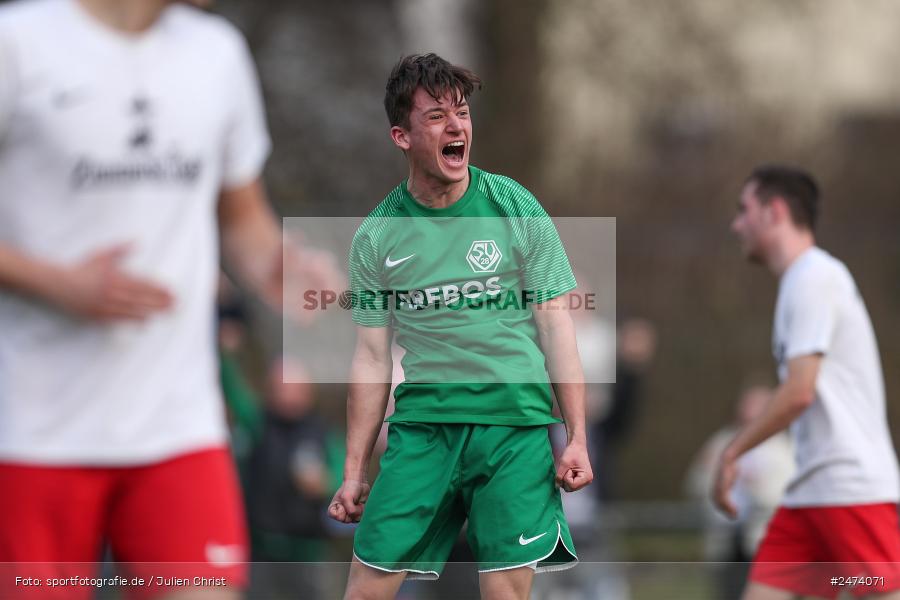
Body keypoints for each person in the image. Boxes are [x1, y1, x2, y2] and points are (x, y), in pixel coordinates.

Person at [0, 1, 338, 599]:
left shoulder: (217, 53)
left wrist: (278, 264)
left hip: (180, 428)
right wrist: (56, 283)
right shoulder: (18, 42)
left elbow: (241, 216)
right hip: (32, 433)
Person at [327, 53, 593, 600]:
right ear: (401, 136)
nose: (456, 127)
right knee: (365, 591)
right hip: (425, 429)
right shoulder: (377, 236)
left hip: (513, 430)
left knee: (504, 594)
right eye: (436, 117)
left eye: (463, 113)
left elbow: (556, 327)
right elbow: (372, 358)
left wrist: (577, 437)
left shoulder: (513, 204)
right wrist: (354, 471)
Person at [714, 164, 900, 600]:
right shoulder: (800, 281)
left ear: (774, 211)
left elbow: (799, 392)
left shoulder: (815, 277)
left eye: (745, 209)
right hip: (809, 493)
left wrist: (732, 450)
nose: (736, 223)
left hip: (848, 488)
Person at [687, 384, 793, 600]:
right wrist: (713, 477)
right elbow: (695, 484)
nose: (751, 409)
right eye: (748, 403)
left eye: (759, 404)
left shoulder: (783, 448)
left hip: (762, 544)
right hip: (724, 544)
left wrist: (755, 484)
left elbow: (787, 493)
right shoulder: (720, 443)